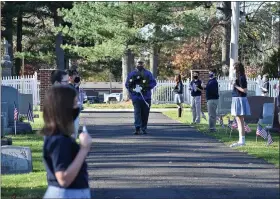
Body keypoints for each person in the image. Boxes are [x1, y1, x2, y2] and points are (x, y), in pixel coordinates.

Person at [41, 86, 92, 199]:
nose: (77, 106)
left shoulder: (61, 137)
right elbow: (63, 179)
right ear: (64, 108)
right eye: (74, 103)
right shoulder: (59, 140)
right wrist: (84, 149)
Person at [125, 60, 157, 135]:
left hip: (146, 97)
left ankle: (144, 128)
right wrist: (133, 91)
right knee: (137, 113)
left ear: (143, 64)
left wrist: (146, 87)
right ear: (136, 64)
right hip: (136, 97)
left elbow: (153, 82)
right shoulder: (132, 74)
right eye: (138, 63)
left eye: (141, 64)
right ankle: (137, 128)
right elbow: (127, 84)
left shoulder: (148, 73)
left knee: (145, 113)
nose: (140, 65)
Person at [230, 62, 251, 147]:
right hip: (236, 98)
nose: (233, 70)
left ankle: (242, 141)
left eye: (234, 68)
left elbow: (245, 90)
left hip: (240, 99)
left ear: (237, 69)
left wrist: (235, 85)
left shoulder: (242, 78)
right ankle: (241, 140)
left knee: (240, 120)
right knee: (238, 120)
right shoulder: (237, 78)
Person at [68, 69, 82, 139]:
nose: (76, 77)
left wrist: (77, 86)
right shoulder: (68, 86)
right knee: (72, 134)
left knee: (74, 134)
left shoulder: (74, 86)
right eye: (75, 75)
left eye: (77, 75)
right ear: (70, 77)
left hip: (74, 112)